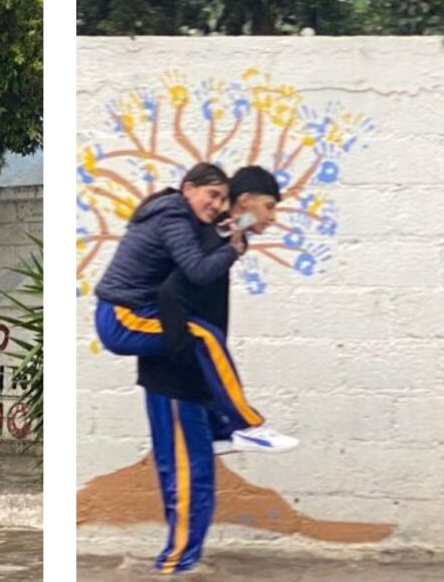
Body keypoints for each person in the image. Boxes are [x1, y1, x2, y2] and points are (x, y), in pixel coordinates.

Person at [92, 162, 296, 453]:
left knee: (206, 342)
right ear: (188, 189)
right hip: (122, 315)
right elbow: (195, 272)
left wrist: (243, 229)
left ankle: (221, 428)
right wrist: (236, 248)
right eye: (270, 206)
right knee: (205, 337)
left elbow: (225, 228)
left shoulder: (196, 222)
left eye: (220, 198)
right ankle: (245, 424)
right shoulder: (173, 215)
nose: (215, 205)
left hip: (133, 312)